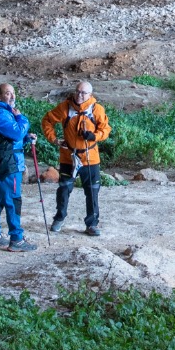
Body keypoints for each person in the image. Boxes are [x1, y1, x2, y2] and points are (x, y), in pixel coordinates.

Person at [42, 81, 110, 236]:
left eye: (83, 93)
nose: (80, 95)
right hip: (69, 157)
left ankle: (92, 225)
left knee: (92, 191)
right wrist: (54, 139)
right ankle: (59, 218)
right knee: (64, 188)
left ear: (90, 95)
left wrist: (95, 136)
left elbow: (105, 129)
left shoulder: (97, 109)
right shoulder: (64, 108)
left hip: (90, 157)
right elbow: (47, 121)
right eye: (77, 91)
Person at [0, 83, 33, 250]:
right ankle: (17, 239)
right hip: (7, 165)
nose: (12, 96)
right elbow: (17, 132)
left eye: (13, 93)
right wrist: (21, 118)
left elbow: (8, 138)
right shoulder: (1, 114)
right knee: (13, 199)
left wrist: (26, 139)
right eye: (8, 93)